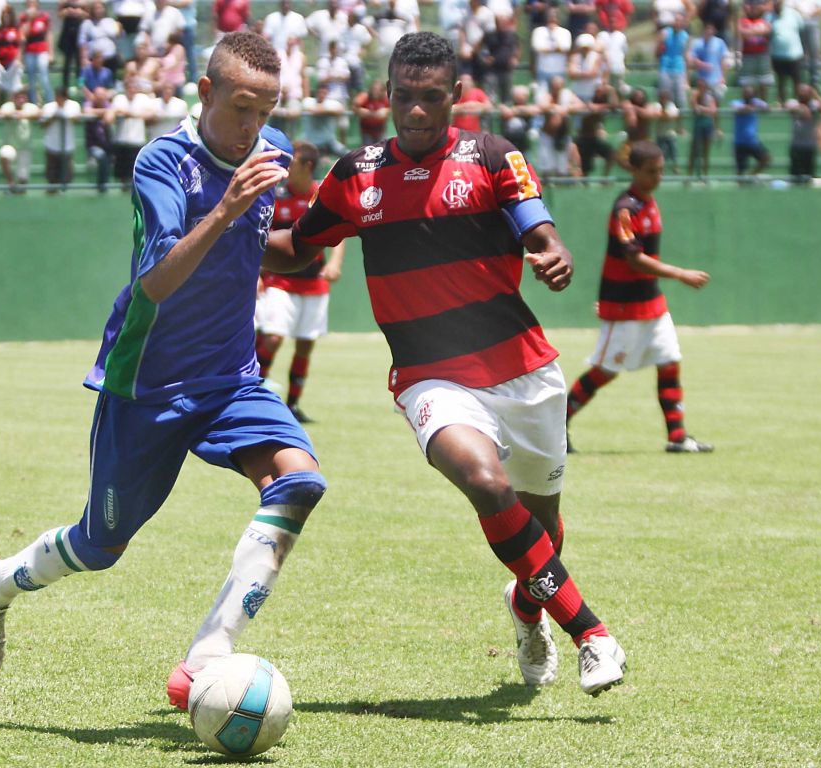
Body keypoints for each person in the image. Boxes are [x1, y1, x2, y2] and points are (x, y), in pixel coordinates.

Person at [0, 34, 327, 718]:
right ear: (207, 92)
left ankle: (206, 659)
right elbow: (155, 282)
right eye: (242, 107)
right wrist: (224, 210)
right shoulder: (163, 162)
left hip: (230, 379)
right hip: (148, 385)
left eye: (267, 109)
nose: (253, 124)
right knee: (100, 546)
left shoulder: (269, 150)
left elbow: (259, 253)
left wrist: (327, 236)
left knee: (299, 479)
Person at [267, 31, 627, 696]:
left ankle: (528, 608)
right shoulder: (356, 174)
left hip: (524, 372)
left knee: (541, 533)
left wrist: (553, 252)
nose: (415, 111)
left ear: (456, 97)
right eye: (403, 97)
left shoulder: (493, 156)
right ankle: (592, 634)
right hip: (430, 376)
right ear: (387, 95)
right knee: (487, 485)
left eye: (431, 99)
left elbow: (538, 229)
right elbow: (298, 249)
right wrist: (230, 237)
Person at [566, 140, 712, 454]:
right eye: (651, 171)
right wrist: (680, 273)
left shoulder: (649, 203)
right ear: (634, 170)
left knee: (670, 362)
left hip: (652, 304)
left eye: (660, 171)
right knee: (604, 371)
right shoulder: (626, 209)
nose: (658, 177)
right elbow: (633, 259)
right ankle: (556, 430)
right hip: (623, 304)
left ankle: (677, 437)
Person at [255, 141, 345, 424]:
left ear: (306, 166)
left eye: (290, 164)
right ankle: (251, 398)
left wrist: (334, 263)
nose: (284, 169)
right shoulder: (276, 193)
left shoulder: (321, 194)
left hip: (313, 282)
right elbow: (259, 236)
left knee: (305, 344)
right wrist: (257, 274)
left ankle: (293, 405)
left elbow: (337, 233)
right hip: (279, 279)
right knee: (273, 337)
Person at [40, 84, 81, 191]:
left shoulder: (73, 105)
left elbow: (77, 119)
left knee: (67, 177)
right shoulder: (48, 107)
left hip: (67, 146)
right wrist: (53, 117)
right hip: (52, 146)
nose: (59, 99)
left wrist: (64, 116)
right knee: (52, 178)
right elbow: (42, 124)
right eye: (57, 96)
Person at [0, 88, 40, 192]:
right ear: (14, 98)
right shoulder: (8, 106)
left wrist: (23, 115)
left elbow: (39, 114)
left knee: (23, 179)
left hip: (25, 147)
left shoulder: (31, 107)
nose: (21, 99)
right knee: (4, 154)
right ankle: (10, 182)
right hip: (11, 145)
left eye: (23, 97)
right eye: (18, 97)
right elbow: (1, 113)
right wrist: (13, 115)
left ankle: (19, 191)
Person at [0, 4, 23, 111]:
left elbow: (20, 45)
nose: (6, 17)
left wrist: (18, 59)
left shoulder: (16, 29)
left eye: (8, 15)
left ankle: (8, 110)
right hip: (0, 63)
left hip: (12, 62)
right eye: (4, 15)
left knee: (12, 88)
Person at [731, 84, 771, 177]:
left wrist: (760, 107)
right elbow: (739, 109)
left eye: (749, 93)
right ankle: (741, 185)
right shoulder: (737, 102)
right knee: (740, 170)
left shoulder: (756, 102)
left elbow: (767, 107)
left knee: (765, 158)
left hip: (752, 140)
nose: (747, 95)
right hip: (739, 141)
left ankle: (752, 176)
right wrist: (751, 108)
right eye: (745, 93)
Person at [20, 0, 54, 105]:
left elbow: (49, 35)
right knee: (31, 78)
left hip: (42, 49)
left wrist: (51, 53)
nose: (31, 5)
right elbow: (23, 35)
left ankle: (50, 101)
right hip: (29, 50)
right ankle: (34, 102)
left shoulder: (44, 16)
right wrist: (29, 19)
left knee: (44, 75)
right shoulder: (23, 18)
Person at [687, 76, 719, 178]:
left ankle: (705, 176)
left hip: (707, 125)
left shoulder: (710, 97)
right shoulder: (695, 95)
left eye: (702, 86)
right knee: (693, 152)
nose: (701, 88)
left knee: (706, 152)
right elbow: (693, 105)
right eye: (699, 86)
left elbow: (713, 110)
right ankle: (689, 176)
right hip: (698, 126)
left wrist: (702, 109)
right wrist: (700, 106)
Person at [83, 84, 113, 191]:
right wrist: (104, 112)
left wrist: (107, 113)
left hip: (107, 143)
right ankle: (101, 186)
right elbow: (87, 111)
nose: (101, 97)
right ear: (94, 96)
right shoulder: (89, 103)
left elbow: (110, 118)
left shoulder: (107, 104)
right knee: (101, 156)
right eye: (98, 95)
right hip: (93, 144)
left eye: (102, 95)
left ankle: (104, 183)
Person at [57, 0, 87, 89]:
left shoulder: (83, 3)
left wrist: (79, 12)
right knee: (67, 63)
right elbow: (60, 14)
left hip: (80, 33)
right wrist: (67, 11)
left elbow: (88, 15)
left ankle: (81, 86)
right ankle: (65, 86)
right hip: (67, 34)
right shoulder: (64, 2)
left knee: (80, 63)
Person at [352, 78, 390, 145]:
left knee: (382, 148)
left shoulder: (385, 98)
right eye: (374, 89)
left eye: (379, 90)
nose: (376, 92)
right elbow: (355, 106)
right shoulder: (365, 97)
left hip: (380, 129)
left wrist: (386, 111)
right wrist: (366, 112)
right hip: (367, 129)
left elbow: (391, 108)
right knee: (368, 148)